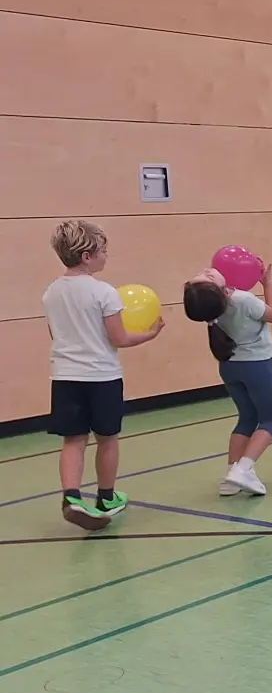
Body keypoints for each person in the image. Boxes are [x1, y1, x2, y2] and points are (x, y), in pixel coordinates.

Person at [42, 220, 164, 530]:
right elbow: (119, 338)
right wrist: (149, 335)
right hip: (101, 376)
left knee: (74, 439)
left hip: (65, 376)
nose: (105, 255)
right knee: (107, 438)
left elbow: (54, 333)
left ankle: (71, 497)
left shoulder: (51, 292)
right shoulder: (104, 292)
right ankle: (106, 497)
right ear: (86, 256)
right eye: (102, 250)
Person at [182, 262, 272, 496]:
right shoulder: (242, 300)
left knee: (247, 418)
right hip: (257, 366)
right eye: (205, 275)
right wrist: (267, 283)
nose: (207, 269)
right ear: (218, 290)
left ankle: (230, 477)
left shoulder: (213, 310)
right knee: (270, 420)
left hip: (229, 367)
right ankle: (244, 468)